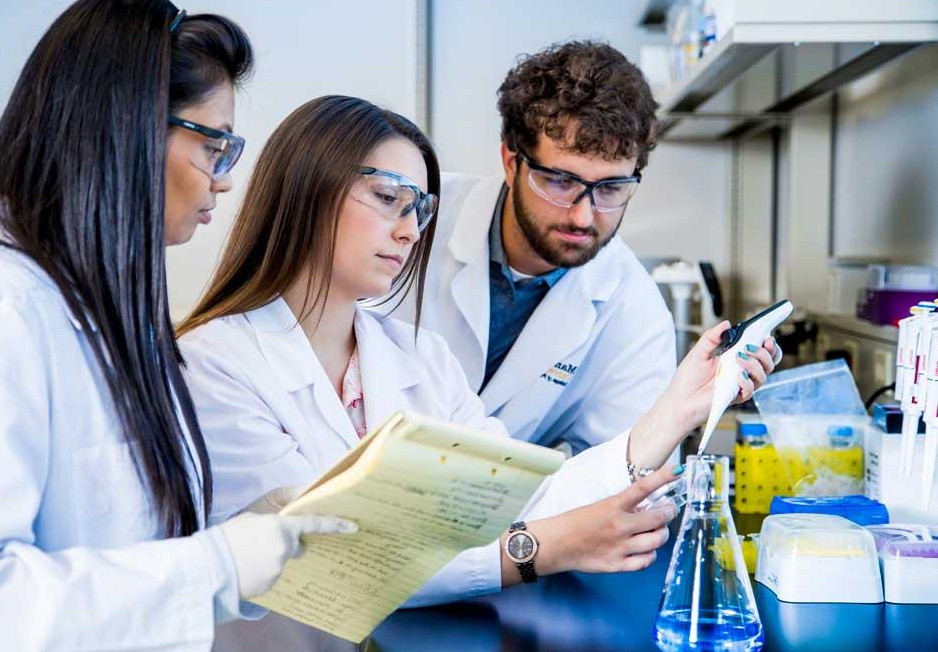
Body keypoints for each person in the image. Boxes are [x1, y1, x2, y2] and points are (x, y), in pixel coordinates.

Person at [176, 95, 777, 631]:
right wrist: (536, 550)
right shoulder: (213, 364)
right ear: (306, 191)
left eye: (419, 207)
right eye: (388, 198)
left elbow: (522, 494)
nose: (411, 231)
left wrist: (678, 410)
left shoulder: (416, 357)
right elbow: (328, 561)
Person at [0, 0, 351, 650]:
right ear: (127, 127)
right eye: (214, 145)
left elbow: (116, 534)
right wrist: (214, 566)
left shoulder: (103, 300)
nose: (223, 180)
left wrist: (240, 533)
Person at [394, 40, 709, 455]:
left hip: (505, 513)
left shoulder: (635, 313)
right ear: (511, 162)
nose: (583, 216)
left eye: (612, 187)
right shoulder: (411, 216)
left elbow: (621, 479)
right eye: (560, 182)